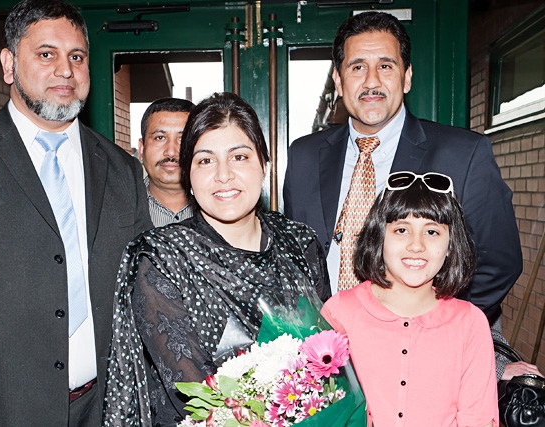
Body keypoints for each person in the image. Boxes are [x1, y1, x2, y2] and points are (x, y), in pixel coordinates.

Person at [0, 0, 152, 426]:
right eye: (46, 54)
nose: (65, 70)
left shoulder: (122, 169)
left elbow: (146, 294)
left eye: (76, 56)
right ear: (8, 64)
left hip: (105, 408)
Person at [103, 92, 331, 426]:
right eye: (205, 160)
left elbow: (326, 357)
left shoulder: (300, 243)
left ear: (264, 165)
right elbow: (203, 403)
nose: (223, 175)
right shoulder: (162, 258)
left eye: (239, 157)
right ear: (189, 176)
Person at [283, 11, 522, 324]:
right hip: (324, 349)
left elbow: (498, 263)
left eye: (385, 65)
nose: (372, 81)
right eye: (358, 67)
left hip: (421, 349)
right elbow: (291, 260)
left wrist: (441, 327)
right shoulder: (303, 156)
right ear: (339, 82)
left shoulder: (463, 155)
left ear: (407, 77)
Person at [321, 171, 498, 427]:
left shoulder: (470, 323)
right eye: (402, 229)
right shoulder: (340, 312)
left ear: (450, 245)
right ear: (380, 237)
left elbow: (477, 418)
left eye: (432, 232)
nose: (417, 245)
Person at [139, 97, 195, 227]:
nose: (171, 152)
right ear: (142, 149)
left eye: (183, 139)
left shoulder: (223, 205)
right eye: (160, 138)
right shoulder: (116, 208)